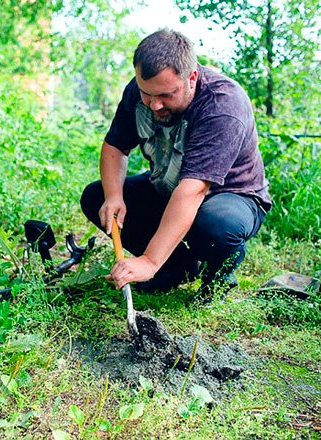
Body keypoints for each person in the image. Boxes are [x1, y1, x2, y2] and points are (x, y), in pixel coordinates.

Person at [80, 29, 271, 300]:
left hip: (230, 197)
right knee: (96, 197)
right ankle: (177, 268)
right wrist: (114, 197)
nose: (154, 105)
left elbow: (193, 190)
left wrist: (148, 261)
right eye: (147, 94)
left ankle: (218, 276)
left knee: (215, 227)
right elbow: (115, 146)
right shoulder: (141, 91)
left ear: (191, 78)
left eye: (166, 96)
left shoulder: (222, 104)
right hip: (170, 186)